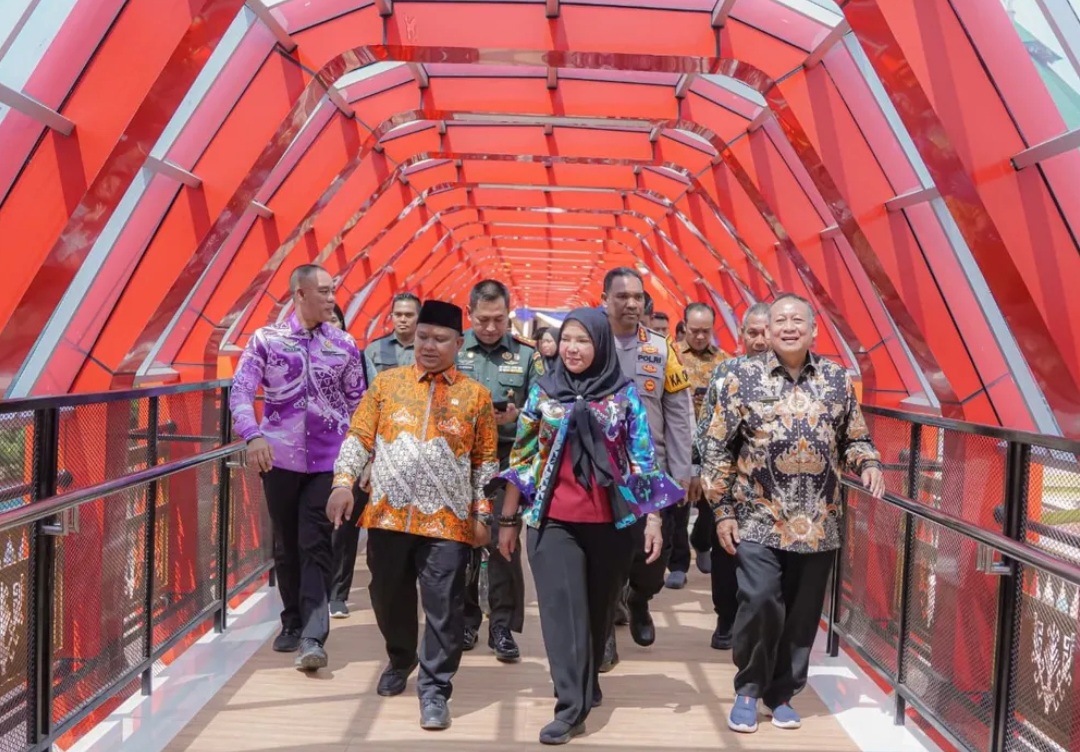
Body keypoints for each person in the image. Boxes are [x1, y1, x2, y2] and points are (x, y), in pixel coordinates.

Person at [493, 308, 682, 745]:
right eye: (567, 340)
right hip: (552, 522)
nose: (573, 349)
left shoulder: (624, 395)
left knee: (597, 615)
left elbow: (642, 460)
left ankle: (587, 678)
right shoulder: (544, 391)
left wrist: (653, 518)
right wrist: (508, 520)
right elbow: (522, 457)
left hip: (612, 525)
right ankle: (569, 708)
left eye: (583, 340)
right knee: (562, 615)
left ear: (600, 344)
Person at [701, 293, 885, 733]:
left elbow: (854, 438)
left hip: (819, 522)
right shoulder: (739, 378)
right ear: (767, 329)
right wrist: (722, 509)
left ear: (813, 330)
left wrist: (869, 462)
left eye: (797, 320)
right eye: (780, 320)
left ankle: (781, 694)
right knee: (761, 599)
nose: (788, 327)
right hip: (758, 517)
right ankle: (749, 689)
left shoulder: (837, 380)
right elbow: (716, 447)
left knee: (803, 614)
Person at [327, 299, 498, 731]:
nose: (428, 346)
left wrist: (482, 515)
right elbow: (359, 437)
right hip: (387, 516)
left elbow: (485, 463)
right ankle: (401, 657)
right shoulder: (386, 385)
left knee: (444, 606)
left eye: (440, 339)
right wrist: (343, 483)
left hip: (448, 523)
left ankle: (436, 688)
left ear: (459, 343)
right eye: (423, 337)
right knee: (387, 597)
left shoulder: (475, 397)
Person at [230, 264, 366, 671]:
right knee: (286, 544)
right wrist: (252, 435)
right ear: (299, 294)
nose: (332, 298)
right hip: (279, 459)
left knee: (315, 541)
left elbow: (359, 404)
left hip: (329, 462)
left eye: (333, 290)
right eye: (323, 291)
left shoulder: (343, 345)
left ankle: (313, 635)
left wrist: (363, 457)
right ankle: (291, 621)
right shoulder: (266, 341)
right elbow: (241, 390)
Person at [601, 268, 694, 670]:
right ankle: (604, 633)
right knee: (604, 558)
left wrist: (682, 469)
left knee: (652, 559)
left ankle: (639, 598)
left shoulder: (661, 349)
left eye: (637, 297)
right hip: (602, 474)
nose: (631, 304)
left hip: (650, 471)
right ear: (604, 299)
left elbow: (678, 411)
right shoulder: (590, 342)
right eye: (622, 296)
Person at [457, 280, 542, 662]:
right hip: (460, 460)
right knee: (460, 542)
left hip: (507, 462)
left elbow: (544, 412)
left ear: (509, 315)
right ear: (469, 314)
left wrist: (516, 417)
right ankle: (465, 619)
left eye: (498, 319)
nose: (491, 327)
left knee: (502, 542)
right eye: (483, 320)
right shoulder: (453, 347)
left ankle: (503, 627)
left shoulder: (527, 356)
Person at [692, 302, 770, 650]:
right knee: (726, 551)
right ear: (742, 335)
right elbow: (707, 427)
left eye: (766, 332)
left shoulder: (795, 378)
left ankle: (757, 624)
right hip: (728, 482)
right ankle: (725, 619)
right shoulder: (725, 373)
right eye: (753, 333)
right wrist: (702, 470)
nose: (760, 340)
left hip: (771, 489)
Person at [665, 303, 729, 590]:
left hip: (712, 445)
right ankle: (678, 564)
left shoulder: (724, 361)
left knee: (709, 505)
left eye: (706, 331)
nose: (701, 337)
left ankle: (701, 541)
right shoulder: (672, 355)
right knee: (678, 508)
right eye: (695, 331)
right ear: (684, 326)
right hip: (679, 442)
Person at [326, 304, 371, 619]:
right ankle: (315, 589)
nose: (330, 325)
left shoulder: (357, 357)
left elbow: (368, 405)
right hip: (315, 454)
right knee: (316, 525)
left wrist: (368, 456)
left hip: (352, 449)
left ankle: (338, 593)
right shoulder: (302, 356)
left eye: (335, 319)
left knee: (345, 526)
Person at [365, 292, 420, 375]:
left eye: (409, 315)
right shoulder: (374, 349)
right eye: (398, 315)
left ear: (419, 317)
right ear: (392, 317)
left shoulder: (429, 349)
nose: (402, 320)